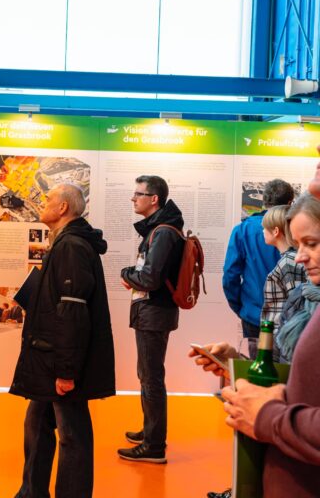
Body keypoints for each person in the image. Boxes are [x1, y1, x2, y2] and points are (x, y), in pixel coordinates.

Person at [192, 179, 320, 497]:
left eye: (312, 244)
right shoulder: (309, 299)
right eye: (299, 243)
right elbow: (298, 381)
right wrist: (239, 365)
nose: (300, 257)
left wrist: (267, 417)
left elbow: (229, 277)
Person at [10, 183, 115, 498]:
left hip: (59, 360)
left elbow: (72, 312)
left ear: (63, 209)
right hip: (48, 356)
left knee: (72, 434)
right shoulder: (65, 243)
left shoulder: (71, 247)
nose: (43, 202)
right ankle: (31, 491)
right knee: (37, 422)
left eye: (49, 199)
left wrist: (66, 371)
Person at [118, 175, 184, 463]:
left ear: (153, 199)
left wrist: (126, 274)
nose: (134, 198)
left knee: (152, 378)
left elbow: (149, 277)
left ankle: (154, 446)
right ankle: (151, 432)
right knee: (148, 375)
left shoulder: (163, 232)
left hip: (154, 312)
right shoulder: (159, 230)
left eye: (138, 194)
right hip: (153, 311)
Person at [222, 179, 294, 348]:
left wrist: (242, 308)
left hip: (254, 314)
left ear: (264, 200)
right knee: (288, 370)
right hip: (291, 316)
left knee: (257, 368)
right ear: (290, 203)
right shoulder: (296, 230)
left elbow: (230, 276)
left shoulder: (243, 230)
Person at [260, 205, 307, 354]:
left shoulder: (288, 262)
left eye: (264, 228)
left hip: (282, 344)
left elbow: (297, 308)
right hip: (280, 339)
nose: (262, 231)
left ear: (275, 231)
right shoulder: (288, 259)